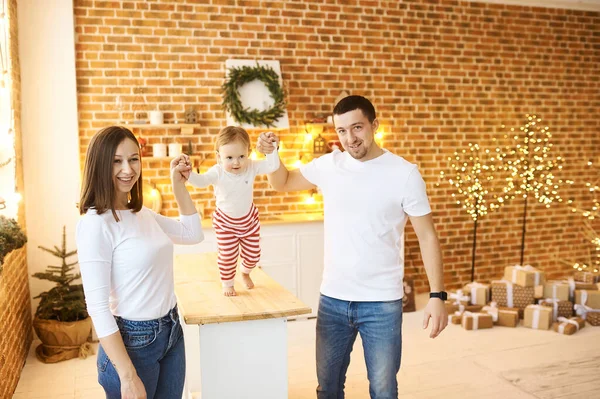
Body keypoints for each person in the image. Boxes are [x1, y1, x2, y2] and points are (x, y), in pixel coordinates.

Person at [256, 95, 448, 399]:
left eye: (357, 128)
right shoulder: (329, 166)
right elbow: (282, 182)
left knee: (384, 390)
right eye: (342, 131)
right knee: (327, 388)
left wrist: (437, 295)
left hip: (382, 302)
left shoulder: (404, 174)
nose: (350, 138)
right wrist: (271, 156)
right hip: (333, 298)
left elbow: (427, 235)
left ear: (374, 125)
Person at [76, 126, 203, 399]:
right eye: (116, 161)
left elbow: (193, 234)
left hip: (171, 331)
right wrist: (127, 375)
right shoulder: (95, 224)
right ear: (99, 165)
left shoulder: (143, 214)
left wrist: (178, 185)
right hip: (133, 342)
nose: (128, 169)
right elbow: (97, 308)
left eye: (134, 159)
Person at [184, 126, 279, 296]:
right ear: (218, 157)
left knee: (253, 256)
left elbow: (272, 166)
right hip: (225, 223)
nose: (236, 162)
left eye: (241, 156)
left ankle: (245, 272)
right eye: (229, 157)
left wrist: (272, 149)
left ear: (248, 153)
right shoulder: (218, 172)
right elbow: (201, 181)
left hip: (248, 221)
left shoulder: (251, 166)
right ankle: (227, 283)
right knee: (228, 256)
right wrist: (188, 173)